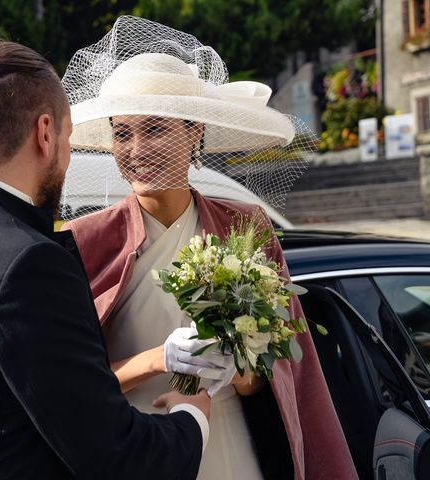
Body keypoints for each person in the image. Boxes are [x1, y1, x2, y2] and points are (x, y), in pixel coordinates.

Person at [0, 33, 218, 479]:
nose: (67, 154)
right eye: (67, 137)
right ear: (45, 133)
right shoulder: (26, 263)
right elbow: (117, 457)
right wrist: (192, 418)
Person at [61, 16, 358, 480]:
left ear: (194, 132)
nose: (137, 149)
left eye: (155, 129)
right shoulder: (85, 242)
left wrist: (237, 371)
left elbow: (282, 367)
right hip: (136, 452)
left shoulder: (246, 223)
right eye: (123, 133)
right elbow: (67, 386)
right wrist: (158, 359)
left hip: (233, 447)